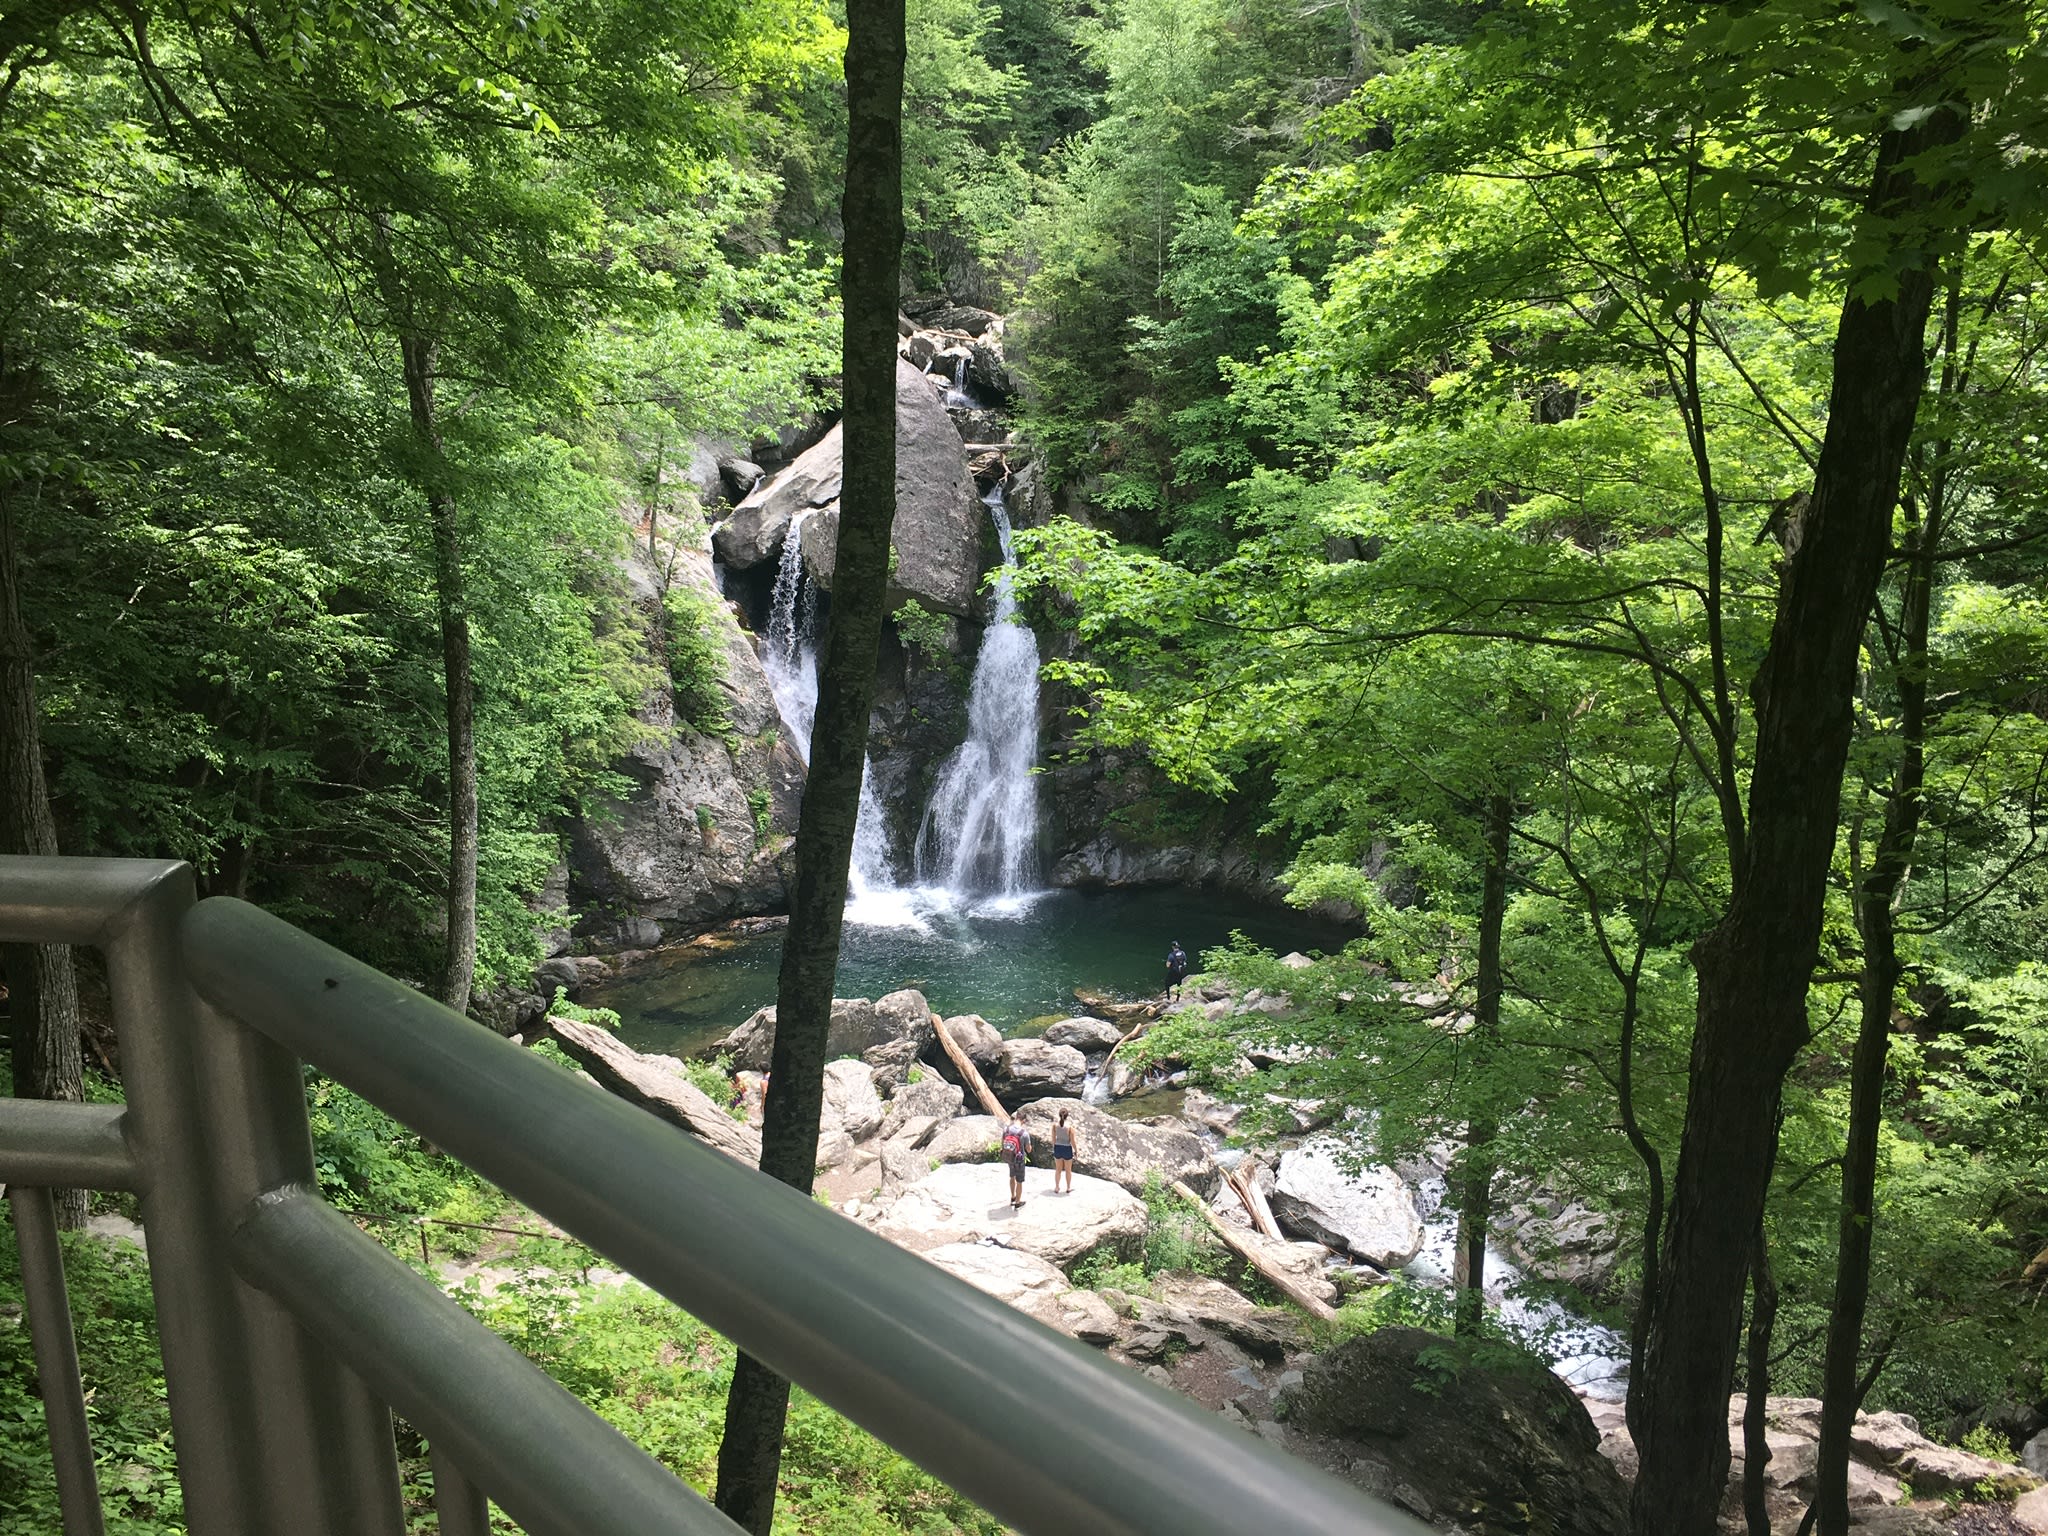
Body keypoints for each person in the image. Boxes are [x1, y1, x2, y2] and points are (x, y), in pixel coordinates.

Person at [1001, 1115, 1032, 1208]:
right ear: (1023, 1121)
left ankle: (1013, 1197)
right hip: (1019, 1160)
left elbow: (1002, 1143)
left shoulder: (1006, 1130)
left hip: (1009, 1157)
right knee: (1019, 1181)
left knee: (1012, 1177)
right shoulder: (1024, 1133)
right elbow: (1029, 1149)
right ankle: (1018, 1202)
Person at [1051, 1107, 1078, 1194]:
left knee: (1058, 1170)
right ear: (1067, 1116)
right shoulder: (1070, 1128)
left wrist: (1054, 1148)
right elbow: (1073, 1141)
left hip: (1058, 1148)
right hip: (1067, 1148)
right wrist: (1076, 1150)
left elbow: (1053, 1139)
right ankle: (1068, 1187)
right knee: (1068, 1170)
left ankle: (1057, 1187)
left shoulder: (1055, 1126)